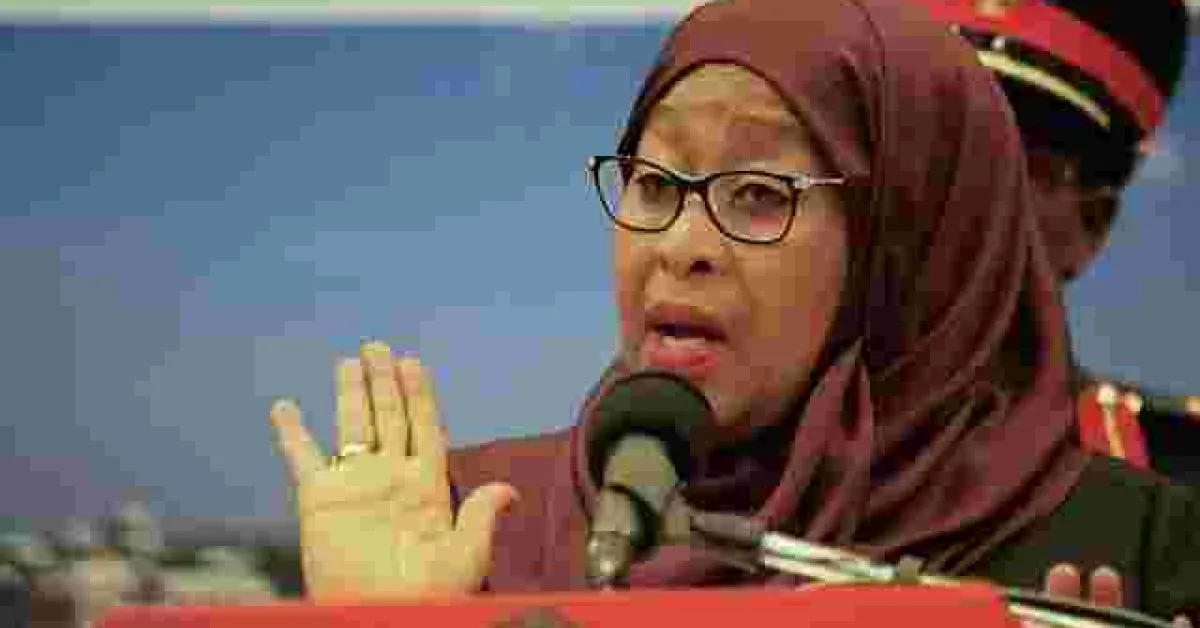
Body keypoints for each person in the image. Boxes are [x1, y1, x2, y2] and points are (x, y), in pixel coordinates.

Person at [268, 0, 1200, 622]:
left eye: (758, 194)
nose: (681, 245)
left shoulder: (1136, 548)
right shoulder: (473, 526)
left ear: (897, 243)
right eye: (653, 183)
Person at [903, 0, 1198, 475]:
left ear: (1092, 225)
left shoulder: (1168, 500)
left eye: (1003, 158)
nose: (941, 186)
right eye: (908, 136)